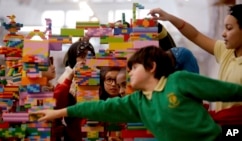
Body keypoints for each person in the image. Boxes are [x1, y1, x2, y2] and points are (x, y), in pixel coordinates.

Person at [33, 45, 242, 141]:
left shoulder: (178, 80)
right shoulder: (138, 101)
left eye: (134, 68)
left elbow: (228, 91)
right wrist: (58, 113)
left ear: (151, 66)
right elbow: (98, 107)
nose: (129, 73)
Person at [148, 4, 242, 137]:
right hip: (223, 123)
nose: (223, 33)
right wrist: (169, 18)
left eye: (229, 28)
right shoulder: (226, 51)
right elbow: (196, 35)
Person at [51, 39, 95, 141]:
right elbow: (57, 104)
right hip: (75, 135)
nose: (87, 60)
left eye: (90, 56)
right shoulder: (65, 79)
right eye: (82, 56)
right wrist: (70, 78)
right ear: (73, 58)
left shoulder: (97, 76)